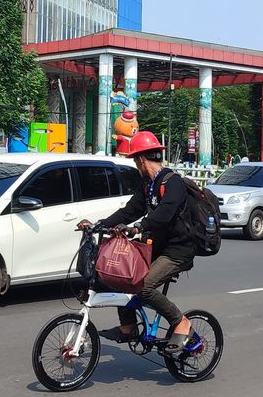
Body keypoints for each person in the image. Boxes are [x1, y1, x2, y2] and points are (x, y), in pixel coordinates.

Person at [79, 131, 196, 351]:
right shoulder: (148, 185)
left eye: (135, 160)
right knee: (121, 277)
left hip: (178, 251)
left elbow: (165, 213)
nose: (135, 164)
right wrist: (99, 224)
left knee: (145, 287)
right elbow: (129, 212)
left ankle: (181, 322)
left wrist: (139, 227)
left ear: (141, 159)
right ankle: (129, 327)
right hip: (157, 248)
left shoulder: (173, 183)